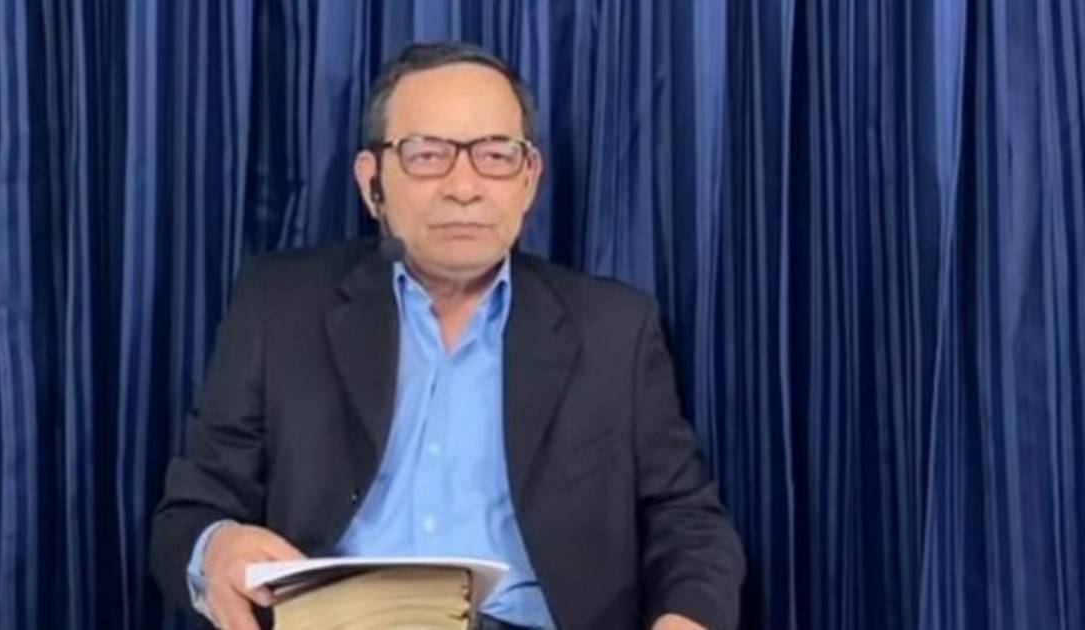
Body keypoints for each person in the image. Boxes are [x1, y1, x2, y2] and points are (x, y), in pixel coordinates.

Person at [149, 42, 745, 630]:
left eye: (495, 155)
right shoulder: (279, 306)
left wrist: (686, 619)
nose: (464, 187)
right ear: (372, 182)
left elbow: (686, 521)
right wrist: (215, 549)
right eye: (427, 155)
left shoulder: (614, 328)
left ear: (529, 179)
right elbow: (192, 510)